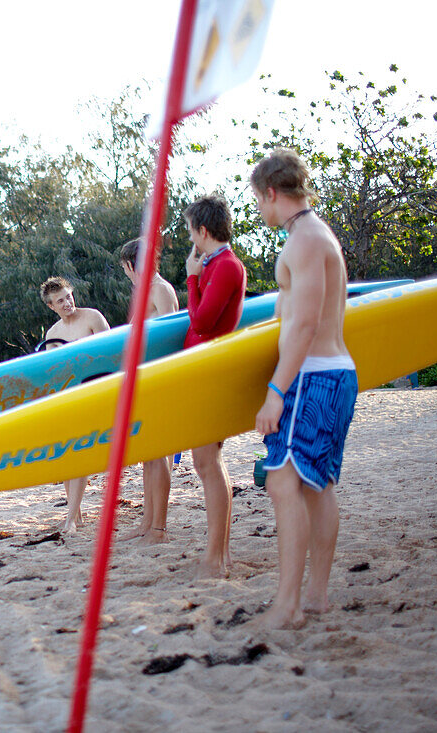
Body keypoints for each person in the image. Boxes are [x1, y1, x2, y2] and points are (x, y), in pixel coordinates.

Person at [251, 148, 357, 629]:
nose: (258, 210)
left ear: (272, 192)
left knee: (282, 481)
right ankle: (314, 598)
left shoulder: (305, 241)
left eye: (258, 200)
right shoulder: (318, 235)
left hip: (312, 374)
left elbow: (305, 324)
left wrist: (276, 391)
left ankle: (288, 606)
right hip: (332, 372)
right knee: (317, 486)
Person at [182, 194, 247, 579]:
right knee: (205, 462)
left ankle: (217, 556)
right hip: (201, 371)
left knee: (209, 462)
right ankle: (217, 554)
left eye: (191, 230)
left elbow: (203, 322)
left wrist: (191, 277)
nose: (191, 237)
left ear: (202, 231)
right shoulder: (216, 264)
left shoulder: (225, 266)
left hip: (211, 373)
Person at [114, 238, 180, 545]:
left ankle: (159, 529)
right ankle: (147, 521)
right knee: (148, 456)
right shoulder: (146, 290)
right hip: (144, 376)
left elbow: (170, 334)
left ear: (130, 265)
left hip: (158, 377)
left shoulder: (159, 289)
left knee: (158, 455)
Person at [40, 276, 111, 533]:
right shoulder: (53, 334)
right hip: (69, 397)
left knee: (80, 453)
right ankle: (75, 515)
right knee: (67, 453)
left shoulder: (92, 317)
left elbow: (112, 353)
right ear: (51, 306)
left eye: (68, 296)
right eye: (60, 301)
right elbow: (54, 372)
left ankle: (70, 518)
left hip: (96, 392)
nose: (67, 303)